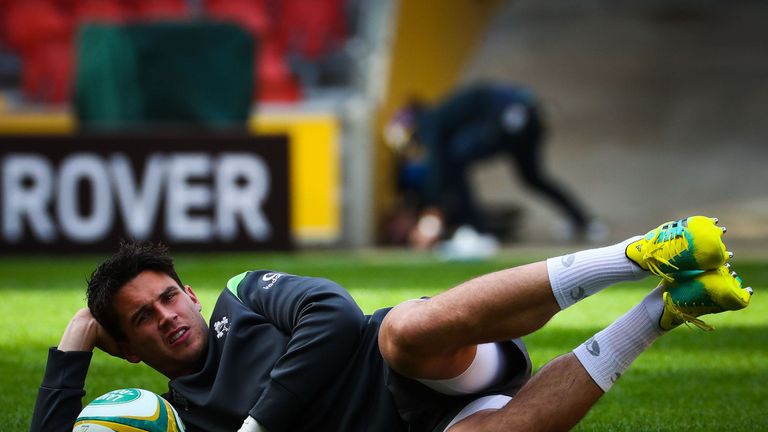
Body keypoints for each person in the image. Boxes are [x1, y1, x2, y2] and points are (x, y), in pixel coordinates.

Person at [30, 215, 752, 432]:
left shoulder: (242, 292)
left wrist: (258, 428)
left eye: (167, 299)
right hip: (412, 426)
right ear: (125, 350)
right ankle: (664, 309)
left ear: (189, 292)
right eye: (141, 321)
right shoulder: (178, 419)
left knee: (402, 331)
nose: (166, 318)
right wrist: (72, 350)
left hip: (427, 356)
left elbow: (334, 316)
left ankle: (636, 253)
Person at [386, 82, 603, 248]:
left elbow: (437, 166)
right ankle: (583, 222)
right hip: (529, 117)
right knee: (533, 177)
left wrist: (432, 212)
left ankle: (478, 232)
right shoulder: (445, 114)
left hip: (510, 118)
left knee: (455, 159)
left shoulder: (429, 122)